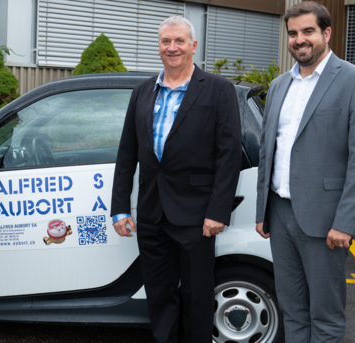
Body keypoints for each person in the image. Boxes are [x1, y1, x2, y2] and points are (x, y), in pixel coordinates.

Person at [255, 2, 355, 342]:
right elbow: (269, 150)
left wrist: (345, 221)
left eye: (308, 31)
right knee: (292, 311)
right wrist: (261, 211)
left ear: (326, 33)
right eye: (293, 33)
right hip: (280, 214)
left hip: (325, 218)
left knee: (325, 316)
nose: (300, 39)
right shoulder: (280, 85)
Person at [111, 16, 242, 343]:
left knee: (197, 296)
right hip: (152, 214)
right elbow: (128, 152)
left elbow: (229, 155)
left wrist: (218, 211)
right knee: (159, 293)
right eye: (165, 42)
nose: (172, 48)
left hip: (197, 216)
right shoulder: (142, 91)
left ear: (193, 46)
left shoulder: (218, 90)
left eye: (179, 41)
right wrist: (120, 208)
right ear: (159, 46)